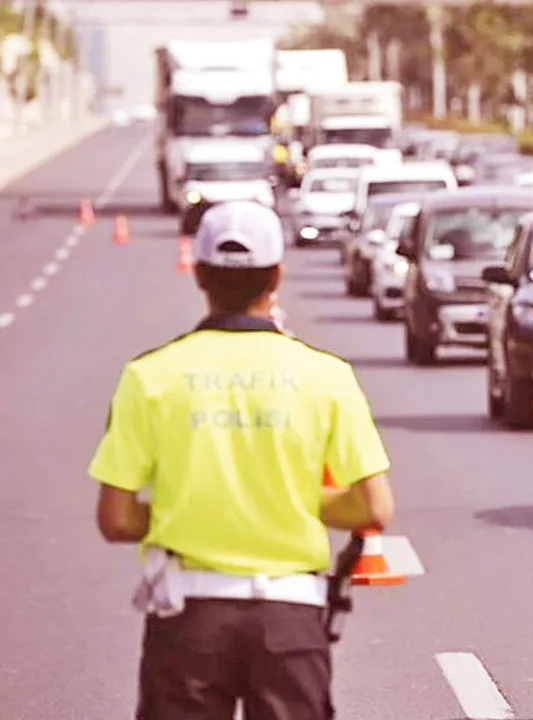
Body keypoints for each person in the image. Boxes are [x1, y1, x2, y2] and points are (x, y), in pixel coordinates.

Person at [89, 200, 396, 720]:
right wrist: (286, 500)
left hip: (188, 617)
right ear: (276, 275)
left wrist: (188, 507)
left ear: (200, 275)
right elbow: (372, 507)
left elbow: (116, 518)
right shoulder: (326, 376)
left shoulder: (150, 377)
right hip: (290, 619)